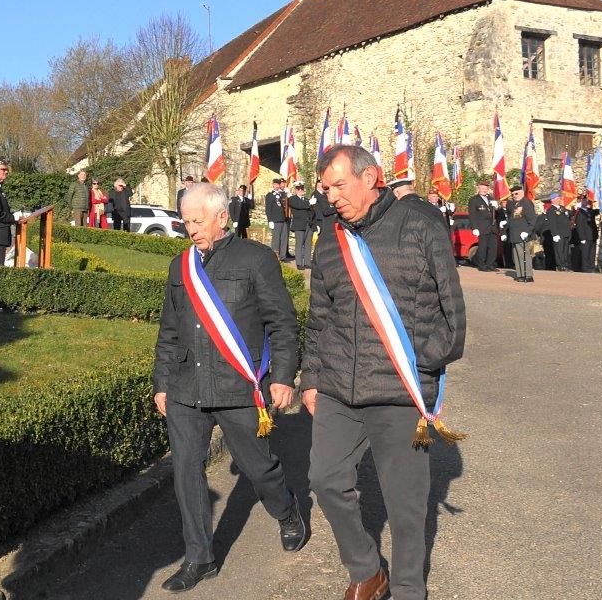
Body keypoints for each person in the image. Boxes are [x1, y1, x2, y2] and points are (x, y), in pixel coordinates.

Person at [302, 145, 466, 600]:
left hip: (398, 392)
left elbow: (452, 317)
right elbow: (319, 319)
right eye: (325, 188)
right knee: (325, 480)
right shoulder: (331, 240)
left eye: (339, 185)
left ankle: (410, 589)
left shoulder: (421, 225)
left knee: (406, 504)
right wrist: (311, 378)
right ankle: (368, 570)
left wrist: (422, 369)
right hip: (338, 387)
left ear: (371, 176)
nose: (331, 196)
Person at [153, 182, 305, 592]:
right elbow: (169, 330)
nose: (190, 229)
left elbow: (282, 323)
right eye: (185, 221)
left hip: (240, 387)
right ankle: (200, 558)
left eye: (196, 221)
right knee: (186, 472)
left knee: (258, 466)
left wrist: (283, 377)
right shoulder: (179, 266)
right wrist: (162, 383)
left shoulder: (257, 259)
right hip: (186, 387)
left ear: (222, 217)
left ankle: (286, 509)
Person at [504, 185, 537, 283]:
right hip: (514, 234)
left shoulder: (526, 203)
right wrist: (504, 231)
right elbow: (511, 219)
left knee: (524, 255)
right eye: (513, 194)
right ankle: (520, 274)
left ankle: (528, 275)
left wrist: (527, 231)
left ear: (522, 193)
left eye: (516, 193)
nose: (514, 196)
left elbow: (532, 219)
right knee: (517, 255)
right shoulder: (515, 205)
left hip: (523, 234)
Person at [466, 180, 498, 271]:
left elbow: (496, 214)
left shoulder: (491, 199)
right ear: (478, 188)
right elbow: (472, 215)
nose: (484, 190)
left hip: (492, 227)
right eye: (482, 188)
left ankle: (490, 264)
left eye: (486, 188)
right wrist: (474, 227)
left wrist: (497, 207)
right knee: (482, 247)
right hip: (482, 227)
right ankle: (482, 264)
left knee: (493, 247)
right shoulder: (474, 200)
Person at [287, 181, 313, 269]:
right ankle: (299, 263)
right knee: (299, 244)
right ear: (296, 190)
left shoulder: (306, 199)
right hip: (299, 224)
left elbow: (311, 211)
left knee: (308, 244)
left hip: (308, 224)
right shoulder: (292, 199)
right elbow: (299, 206)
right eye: (298, 189)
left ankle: (307, 262)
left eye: (302, 189)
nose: (300, 190)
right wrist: (309, 203)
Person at [544, 194, 573, 271]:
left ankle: (565, 265)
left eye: (559, 198)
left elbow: (568, 217)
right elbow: (552, 223)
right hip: (558, 234)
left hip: (566, 233)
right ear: (552, 200)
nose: (559, 199)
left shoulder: (563, 208)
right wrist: (555, 234)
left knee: (565, 251)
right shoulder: (550, 210)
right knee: (559, 251)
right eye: (557, 198)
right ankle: (560, 266)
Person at [571, 196, 600, 273]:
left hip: (593, 236)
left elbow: (598, 211)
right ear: (580, 202)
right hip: (585, 237)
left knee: (592, 254)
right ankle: (586, 269)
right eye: (583, 201)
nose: (585, 202)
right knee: (585, 254)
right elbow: (579, 226)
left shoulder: (590, 211)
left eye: (586, 200)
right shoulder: (579, 212)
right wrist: (582, 237)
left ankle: (592, 268)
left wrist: (601, 204)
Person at [265, 177, 290, 259]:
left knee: (284, 238)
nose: (276, 186)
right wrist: (270, 220)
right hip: (275, 220)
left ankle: (283, 256)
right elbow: (268, 209)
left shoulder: (283, 194)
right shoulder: (270, 195)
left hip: (284, 219)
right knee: (276, 239)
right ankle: (275, 256)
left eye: (278, 184)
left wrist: (288, 195)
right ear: (273, 185)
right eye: (275, 184)